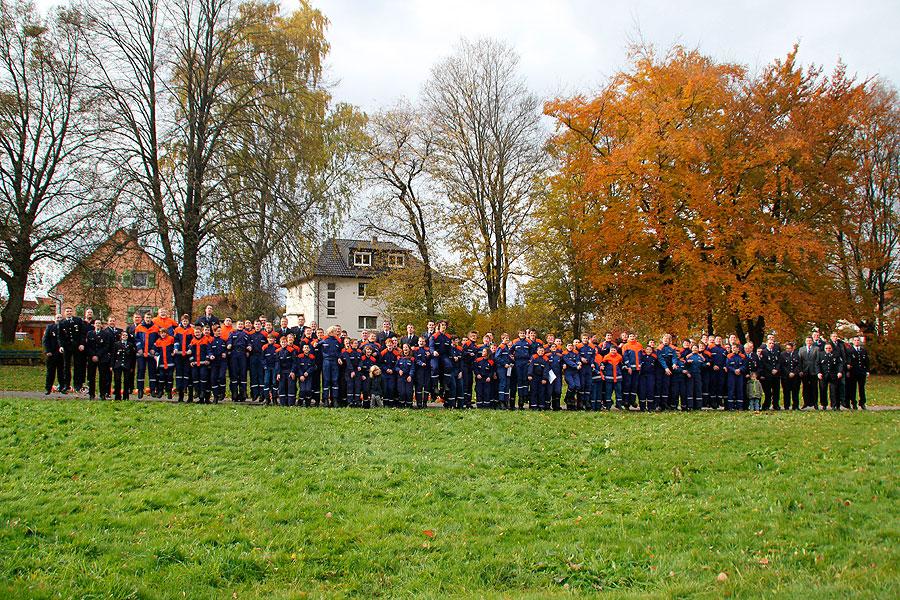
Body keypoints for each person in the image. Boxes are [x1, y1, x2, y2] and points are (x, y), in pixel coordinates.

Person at [134, 312, 159, 399]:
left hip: (151, 353)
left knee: (152, 371)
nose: (148, 319)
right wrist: (139, 348)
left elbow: (157, 340)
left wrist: (154, 348)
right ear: (144, 318)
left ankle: (152, 390)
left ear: (151, 318)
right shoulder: (139, 327)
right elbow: (136, 339)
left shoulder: (155, 328)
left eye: (149, 317)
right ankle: (140, 390)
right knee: (141, 370)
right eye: (146, 317)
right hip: (141, 353)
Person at [318, 326, 343, 407]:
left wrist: (339, 357)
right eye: (335, 331)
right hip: (326, 361)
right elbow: (316, 348)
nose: (337, 332)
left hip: (335, 362)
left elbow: (341, 351)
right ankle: (325, 400)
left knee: (335, 380)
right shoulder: (324, 340)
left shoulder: (337, 341)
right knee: (326, 380)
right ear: (331, 332)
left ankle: (334, 399)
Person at [173, 315, 195, 403]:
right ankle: (180, 395)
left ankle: (189, 395)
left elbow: (193, 341)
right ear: (181, 321)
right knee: (179, 373)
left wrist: (190, 349)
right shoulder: (177, 330)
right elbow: (176, 340)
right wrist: (176, 348)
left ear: (188, 321)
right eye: (183, 321)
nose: (185, 322)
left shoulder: (192, 330)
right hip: (179, 355)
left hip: (188, 355)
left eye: (186, 321)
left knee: (188, 374)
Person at [85, 319, 108, 400]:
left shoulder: (105, 334)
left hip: (102, 358)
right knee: (91, 377)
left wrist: (98, 355)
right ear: (94, 325)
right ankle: (91, 394)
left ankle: (102, 394)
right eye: (96, 323)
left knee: (103, 377)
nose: (98, 324)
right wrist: (93, 355)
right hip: (91, 358)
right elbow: (87, 346)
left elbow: (106, 346)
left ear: (101, 325)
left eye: (99, 323)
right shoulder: (89, 333)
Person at [226, 322, 250, 402]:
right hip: (234, 354)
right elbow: (229, 341)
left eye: (241, 324)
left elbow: (249, 343)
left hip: (243, 354)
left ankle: (243, 394)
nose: (240, 325)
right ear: (236, 326)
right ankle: (234, 394)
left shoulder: (246, 334)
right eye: (239, 324)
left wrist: (249, 346)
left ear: (243, 326)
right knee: (234, 374)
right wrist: (229, 344)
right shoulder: (232, 333)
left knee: (243, 374)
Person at [189, 326, 213, 404]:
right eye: (196, 332)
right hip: (195, 364)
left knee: (203, 377)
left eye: (198, 332)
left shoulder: (206, 340)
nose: (197, 334)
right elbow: (190, 352)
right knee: (195, 378)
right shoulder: (193, 341)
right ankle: (197, 392)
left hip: (203, 363)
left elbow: (209, 350)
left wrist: (207, 359)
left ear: (201, 332)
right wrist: (191, 360)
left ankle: (203, 392)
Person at [818, 343, 843, 410]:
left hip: (833, 375)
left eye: (829, 348)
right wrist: (818, 373)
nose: (828, 349)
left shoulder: (836, 354)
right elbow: (817, 364)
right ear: (824, 349)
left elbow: (840, 364)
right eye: (826, 348)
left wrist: (840, 372)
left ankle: (834, 405)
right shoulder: (820, 354)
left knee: (834, 391)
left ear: (831, 348)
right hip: (823, 375)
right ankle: (824, 405)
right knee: (823, 390)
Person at [846, 336, 869, 409]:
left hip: (862, 372)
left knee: (862, 388)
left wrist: (867, 370)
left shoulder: (863, 350)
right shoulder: (849, 350)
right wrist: (847, 371)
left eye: (858, 340)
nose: (856, 342)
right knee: (853, 388)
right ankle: (853, 402)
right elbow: (848, 362)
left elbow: (866, 361)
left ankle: (862, 403)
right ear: (853, 341)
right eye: (855, 340)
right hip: (853, 372)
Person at [247, 320, 268, 403]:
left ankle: (262, 395)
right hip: (253, 357)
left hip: (261, 357)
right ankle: (254, 394)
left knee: (261, 375)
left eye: (259, 324)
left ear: (261, 325)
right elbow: (248, 343)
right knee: (253, 375)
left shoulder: (264, 335)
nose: (257, 325)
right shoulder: (250, 335)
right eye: (256, 324)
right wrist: (249, 347)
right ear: (254, 325)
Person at [621, 334, 643, 409]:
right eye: (630, 336)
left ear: (635, 337)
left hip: (637, 369)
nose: (632, 338)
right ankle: (626, 402)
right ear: (628, 338)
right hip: (629, 369)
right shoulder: (625, 346)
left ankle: (632, 401)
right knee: (627, 384)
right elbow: (625, 357)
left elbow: (641, 356)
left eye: (633, 336)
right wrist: (629, 367)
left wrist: (640, 366)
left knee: (634, 385)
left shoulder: (639, 345)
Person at [42, 315, 63, 394]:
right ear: (54, 319)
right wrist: (48, 351)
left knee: (61, 372)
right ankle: (48, 388)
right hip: (51, 354)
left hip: (61, 354)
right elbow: (45, 340)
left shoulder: (64, 328)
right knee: (50, 372)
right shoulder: (50, 327)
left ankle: (62, 388)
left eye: (60, 318)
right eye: (57, 318)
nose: (59, 319)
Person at [112, 330, 135, 400]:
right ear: (121, 336)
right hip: (118, 365)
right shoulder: (116, 344)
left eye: (126, 335)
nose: (125, 336)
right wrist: (112, 365)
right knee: (117, 380)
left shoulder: (130, 345)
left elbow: (132, 357)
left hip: (127, 365)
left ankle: (126, 396)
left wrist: (132, 367)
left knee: (126, 381)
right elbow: (113, 355)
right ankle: (117, 396)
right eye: (123, 335)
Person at [798, 336, 820, 409]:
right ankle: (806, 402)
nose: (809, 342)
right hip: (804, 371)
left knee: (814, 388)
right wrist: (800, 370)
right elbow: (800, 361)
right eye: (807, 341)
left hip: (813, 371)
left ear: (812, 341)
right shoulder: (801, 349)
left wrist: (817, 371)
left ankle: (815, 403)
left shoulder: (816, 349)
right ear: (805, 341)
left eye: (810, 341)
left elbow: (817, 360)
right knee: (805, 388)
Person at [276, 335, 298, 407]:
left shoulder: (292, 350)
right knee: (282, 387)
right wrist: (278, 373)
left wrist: (292, 371)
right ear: (280, 343)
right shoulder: (278, 351)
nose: (283, 343)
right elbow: (277, 363)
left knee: (291, 387)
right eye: (282, 342)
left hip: (289, 371)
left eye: (285, 342)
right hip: (282, 372)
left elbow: (294, 362)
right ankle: (283, 404)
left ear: (287, 342)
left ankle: (291, 403)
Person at [208, 324, 228, 403]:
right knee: (213, 378)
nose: (219, 332)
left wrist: (225, 353)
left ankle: (222, 392)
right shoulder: (211, 341)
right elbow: (209, 350)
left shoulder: (223, 340)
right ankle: (215, 396)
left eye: (220, 331)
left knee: (221, 377)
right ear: (214, 331)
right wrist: (211, 355)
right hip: (214, 362)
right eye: (218, 331)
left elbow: (226, 349)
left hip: (222, 362)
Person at [779, 341, 801, 410]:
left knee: (795, 392)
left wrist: (794, 373)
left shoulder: (796, 354)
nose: (788, 350)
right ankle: (786, 406)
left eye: (789, 348)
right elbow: (782, 366)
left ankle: (796, 406)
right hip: (786, 377)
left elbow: (798, 365)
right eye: (787, 348)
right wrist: (788, 373)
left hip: (795, 377)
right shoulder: (782, 354)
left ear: (792, 348)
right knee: (786, 392)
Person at [601, 345, 624, 410]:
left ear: (616, 351)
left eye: (614, 350)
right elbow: (602, 363)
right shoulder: (606, 357)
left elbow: (621, 365)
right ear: (609, 351)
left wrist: (624, 367)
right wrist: (602, 366)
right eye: (612, 350)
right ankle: (608, 406)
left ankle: (619, 405)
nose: (613, 351)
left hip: (618, 377)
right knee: (608, 392)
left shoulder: (619, 357)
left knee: (618, 392)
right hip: (609, 378)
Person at [527, 345, 550, 410]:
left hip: (541, 378)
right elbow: (530, 367)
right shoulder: (534, 357)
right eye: (539, 351)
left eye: (542, 351)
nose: (541, 352)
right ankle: (533, 405)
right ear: (537, 351)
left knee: (541, 391)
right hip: (534, 377)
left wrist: (544, 378)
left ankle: (541, 406)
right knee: (533, 391)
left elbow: (546, 370)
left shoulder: (546, 359)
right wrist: (529, 375)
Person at [154, 327, 175, 399]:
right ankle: (160, 391)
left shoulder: (171, 339)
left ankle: (169, 391)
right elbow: (156, 350)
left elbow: (174, 347)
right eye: (161, 333)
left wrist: (174, 351)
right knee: (161, 376)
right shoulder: (158, 341)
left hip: (170, 361)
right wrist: (155, 355)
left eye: (164, 333)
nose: (163, 334)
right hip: (161, 362)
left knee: (170, 376)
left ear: (166, 333)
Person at [760, 340, 781, 410]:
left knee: (776, 391)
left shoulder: (776, 352)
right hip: (768, 374)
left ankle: (776, 405)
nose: (771, 344)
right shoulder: (763, 352)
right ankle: (766, 405)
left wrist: (776, 369)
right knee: (768, 391)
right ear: (766, 344)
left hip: (776, 375)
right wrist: (771, 369)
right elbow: (764, 363)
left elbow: (779, 362)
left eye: (772, 343)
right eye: (770, 343)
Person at [684, 344, 705, 411]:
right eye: (693, 348)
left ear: (698, 349)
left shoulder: (700, 356)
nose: (695, 349)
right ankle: (690, 406)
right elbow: (684, 364)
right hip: (690, 375)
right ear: (691, 349)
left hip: (698, 375)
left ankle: (698, 406)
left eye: (696, 348)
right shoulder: (688, 356)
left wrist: (706, 364)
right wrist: (687, 363)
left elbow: (703, 364)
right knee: (690, 389)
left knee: (698, 389)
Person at [725, 344, 745, 411]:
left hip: (740, 375)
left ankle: (740, 406)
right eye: (732, 348)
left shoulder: (742, 356)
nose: (733, 349)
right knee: (731, 390)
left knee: (740, 390)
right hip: (731, 375)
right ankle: (730, 406)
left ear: (738, 349)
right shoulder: (729, 356)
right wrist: (734, 370)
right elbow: (728, 366)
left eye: (734, 348)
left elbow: (744, 365)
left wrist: (740, 369)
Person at [261, 333, 280, 405]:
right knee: (266, 382)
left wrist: (277, 367)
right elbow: (262, 358)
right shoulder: (264, 347)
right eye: (269, 338)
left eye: (272, 338)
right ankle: (267, 399)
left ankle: (274, 399)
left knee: (274, 382)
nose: (271, 340)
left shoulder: (277, 346)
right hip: (267, 367)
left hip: (275, 367)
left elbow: (278, 358)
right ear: (267, 339)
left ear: (274, 339)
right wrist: (265, 366)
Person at [637, 342, 656, 411]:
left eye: (650, 350)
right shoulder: (642, 358)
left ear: (652, 351)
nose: (648, 351)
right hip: (642, 376)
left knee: (650, 390)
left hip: (651, 376)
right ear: (645, 350)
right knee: (642, 391)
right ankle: (642, 407)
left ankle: (650, 407)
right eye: (647, 349)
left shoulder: (654, 358)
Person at [396, 344, 416, 408]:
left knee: (409, 392)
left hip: (408, 377)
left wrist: (410, 375)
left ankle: (409, 405)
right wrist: (399, 370)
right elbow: (396, 367)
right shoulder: (399, 358)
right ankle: (401, 405)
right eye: (404, 347)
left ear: (409, 349)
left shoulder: (412, 358)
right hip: (401, 377)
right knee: (401, 392)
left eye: (406, 347)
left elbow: (413, 368)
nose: (405, 348)